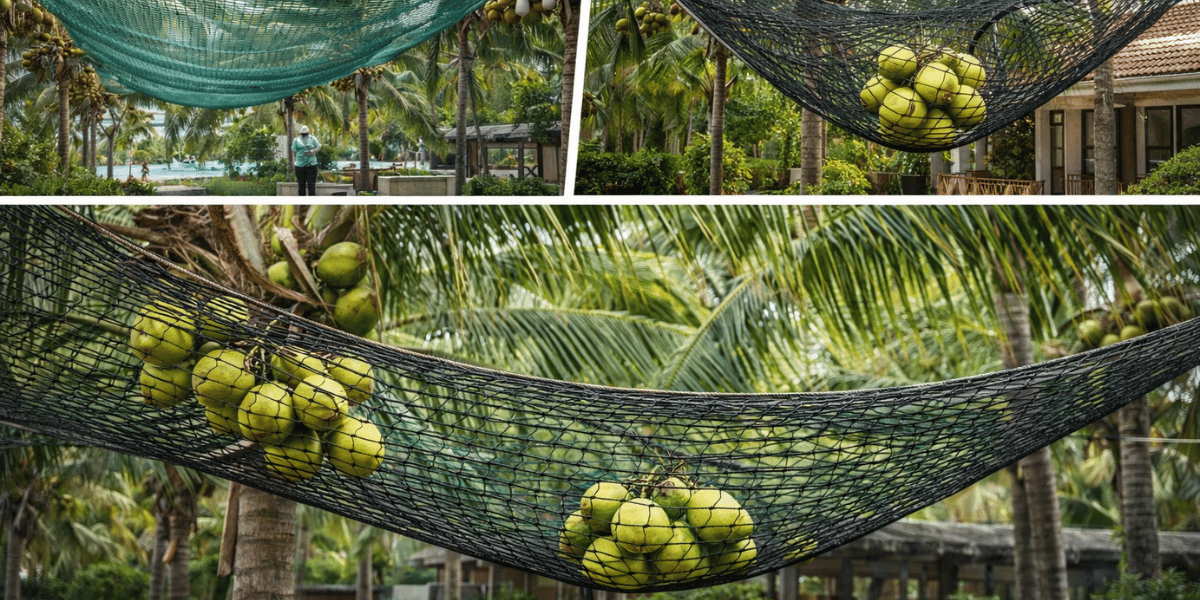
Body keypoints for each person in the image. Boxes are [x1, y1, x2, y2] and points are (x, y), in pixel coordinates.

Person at [292, 125, 322, 196]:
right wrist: (296, 161)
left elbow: (319, 146)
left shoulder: (312, 139)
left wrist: (313, 151)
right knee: (301, 185)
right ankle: (303, 204)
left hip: (311, 165)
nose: (304, 135)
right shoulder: (296, 140)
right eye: (303, 134)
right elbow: (294, 151)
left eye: (305, 134)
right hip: (300, 166)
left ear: (308, 133)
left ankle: (311, 204)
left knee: (311, 185)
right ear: (300, 133)